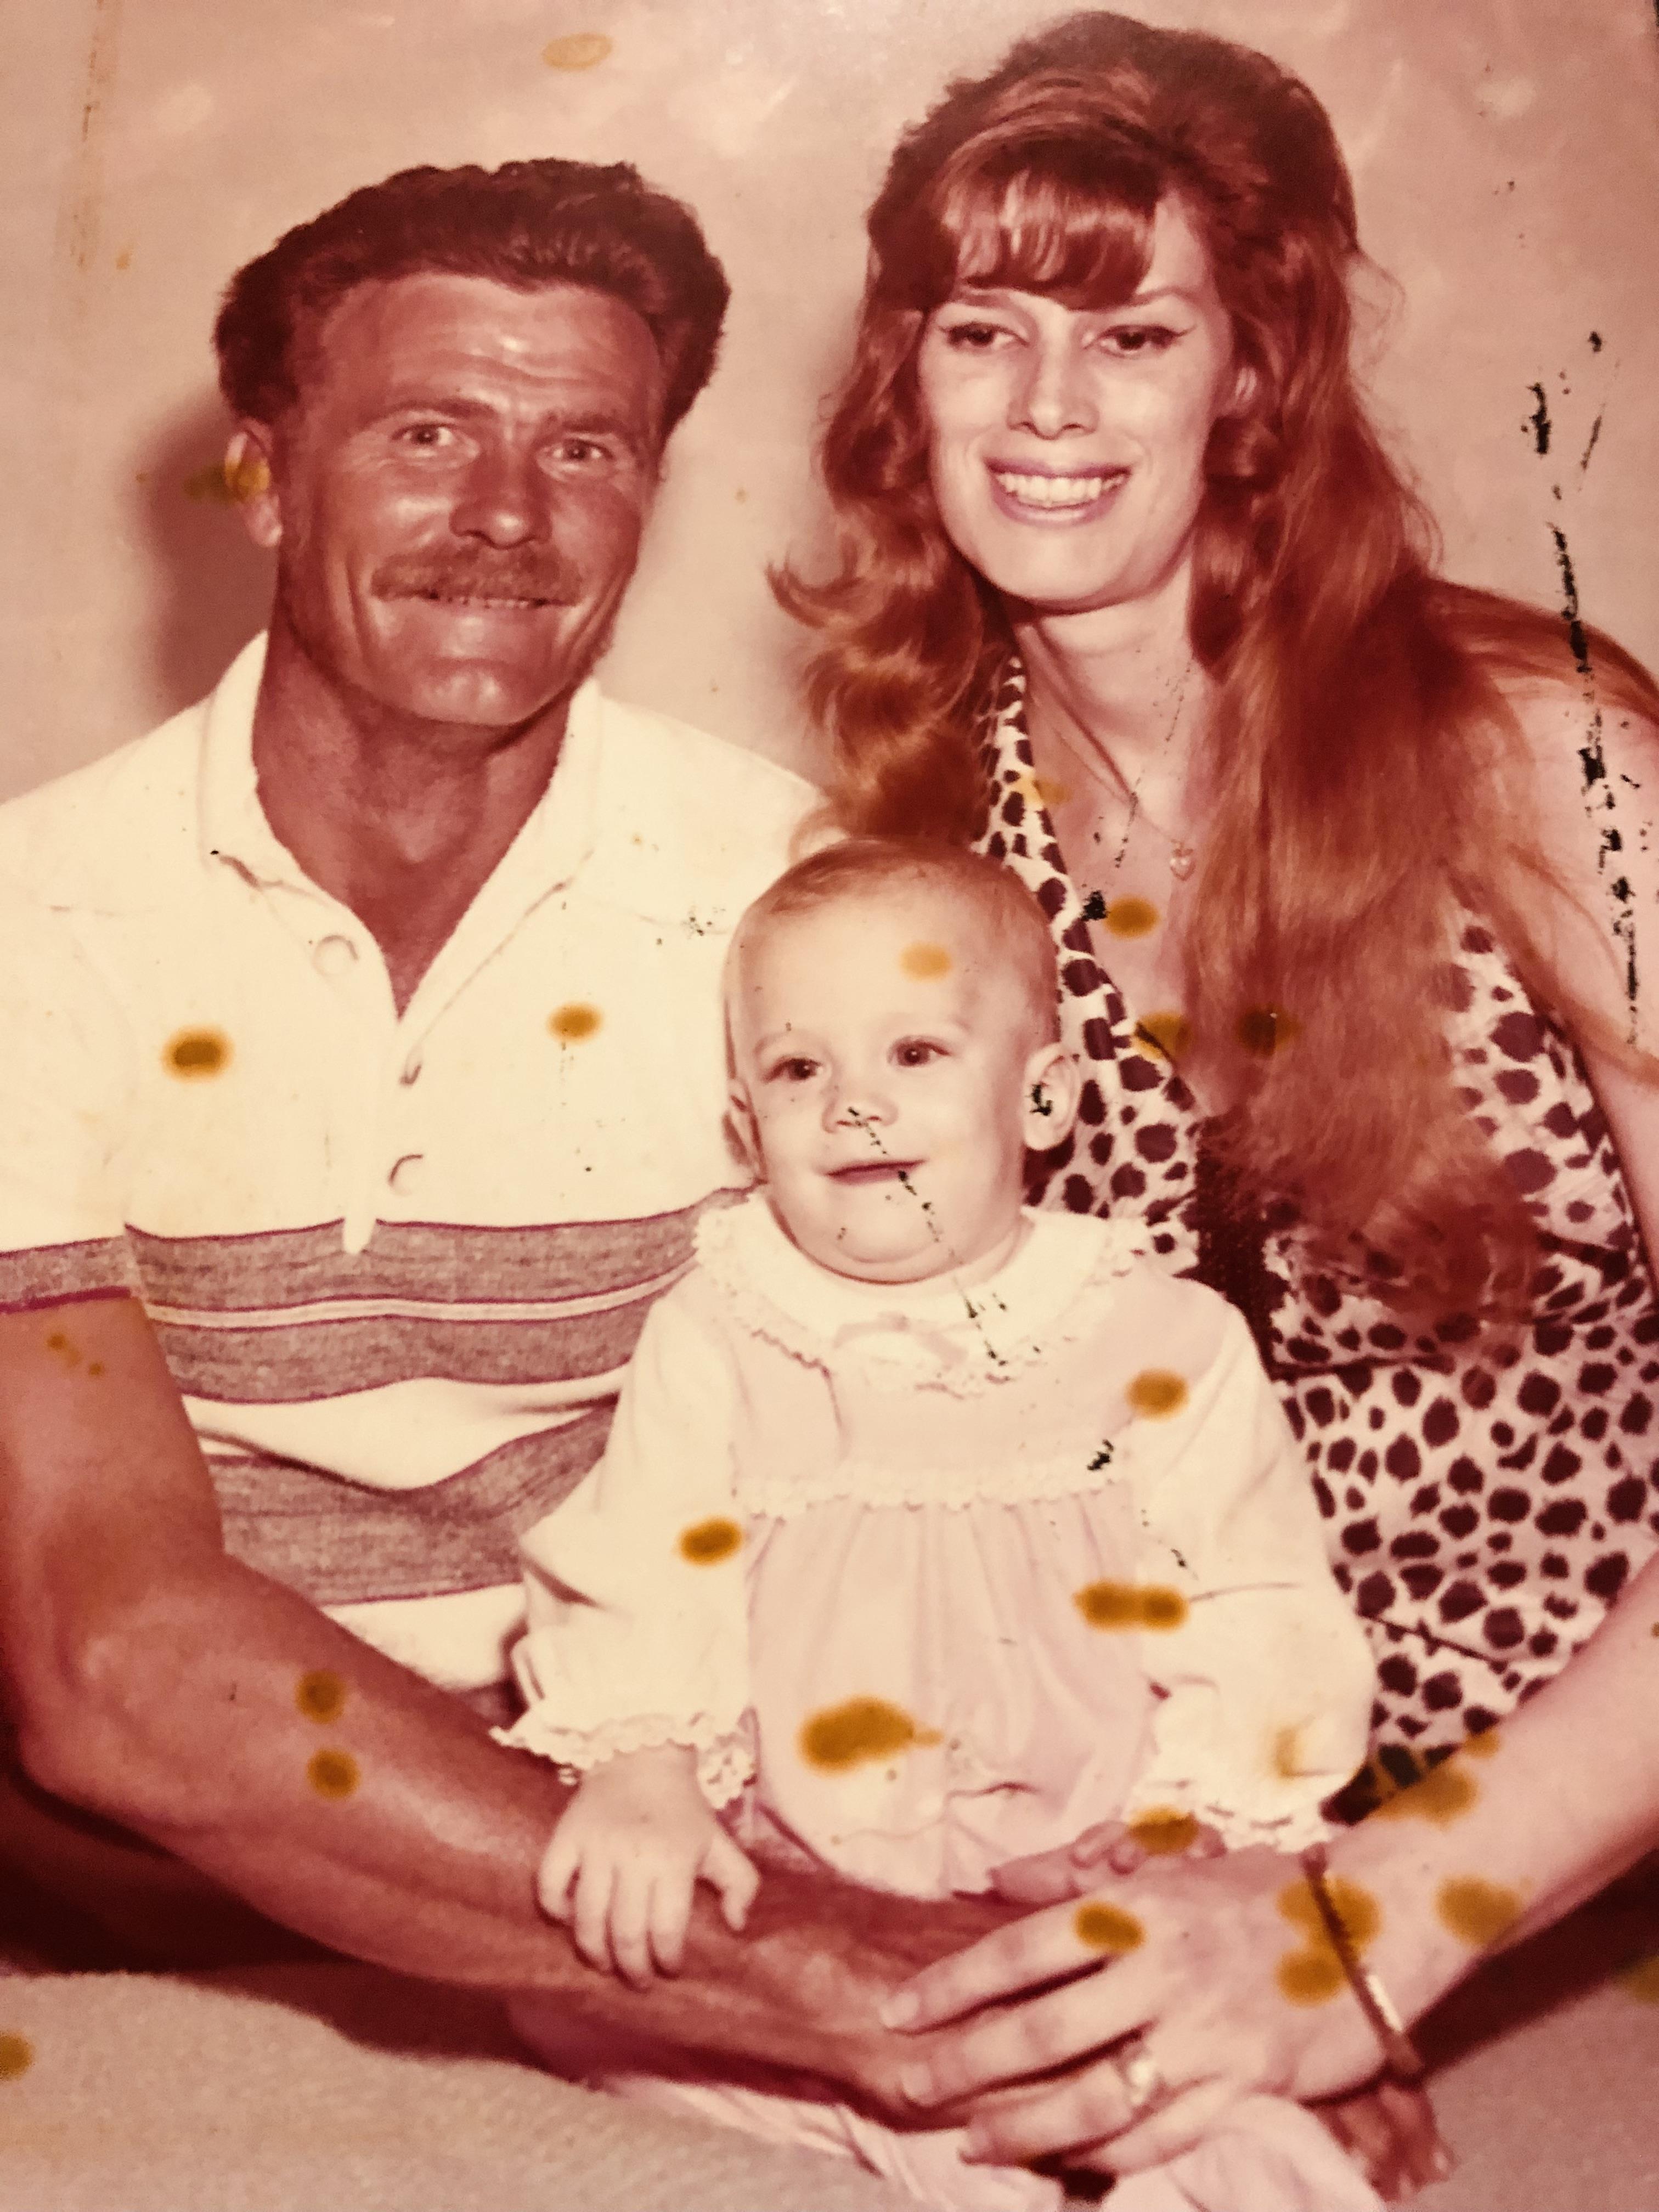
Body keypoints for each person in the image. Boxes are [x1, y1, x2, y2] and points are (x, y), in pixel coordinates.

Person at [0, 155, 1024, 2118]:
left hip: (677, 1777)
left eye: (585, 449)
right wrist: (849, 1982)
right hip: (190, 1839)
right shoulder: (33, 919)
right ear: (262, 474)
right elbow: (114, 1657)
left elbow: (923, 1456)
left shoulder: (787, 899)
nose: (503, 519)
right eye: (424, 434)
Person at [774, 7, 1659, 2183]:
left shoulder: (1534, 760)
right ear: (911, 375)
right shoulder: (923, 841)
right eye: (984, 330)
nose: (1050, 408)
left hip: (1568, 1815)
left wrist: (1364, 1937)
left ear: (1255, 379)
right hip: (1210, 1787)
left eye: (1134, 333)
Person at [498, 836, 1384, 2211]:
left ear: (1041, 1101)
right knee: (598, 1993)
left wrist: (1201, 1818)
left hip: (1078, 1871)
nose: (855, 1107)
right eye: (801, 1070)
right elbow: (645, 1561)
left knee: (1196, 2096)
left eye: (915, 1053)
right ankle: (916, 2130)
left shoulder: (1162, 1337)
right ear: (748, 1132)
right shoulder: (723, 1327)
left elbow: (1259, 1604)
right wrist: (645, 1766)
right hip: (808, 1873)